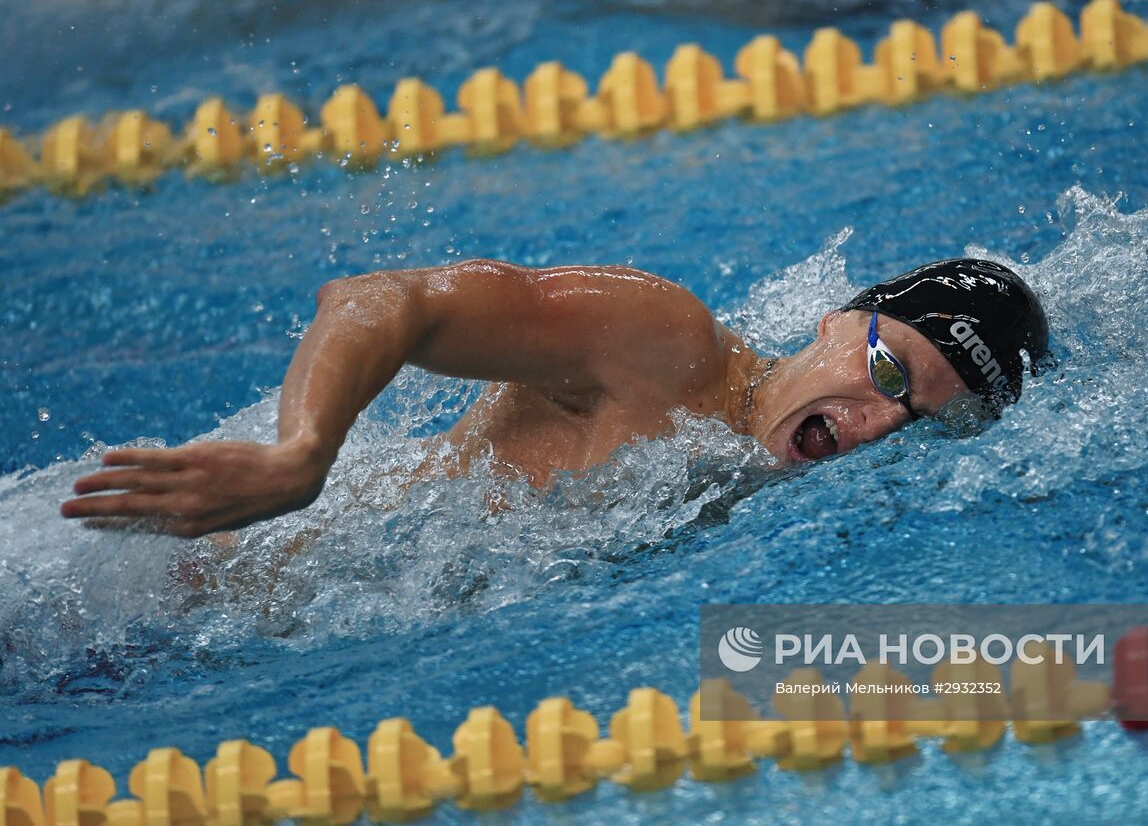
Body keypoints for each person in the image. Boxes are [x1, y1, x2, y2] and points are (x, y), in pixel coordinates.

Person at [61, 256, 1048, 537]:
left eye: (927, 423)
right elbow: (377, 299)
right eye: (886, 374)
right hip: (167, 548)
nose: (881, 424)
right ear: (836, 325)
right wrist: (299, 455)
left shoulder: (756, 485)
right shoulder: (664, 343)